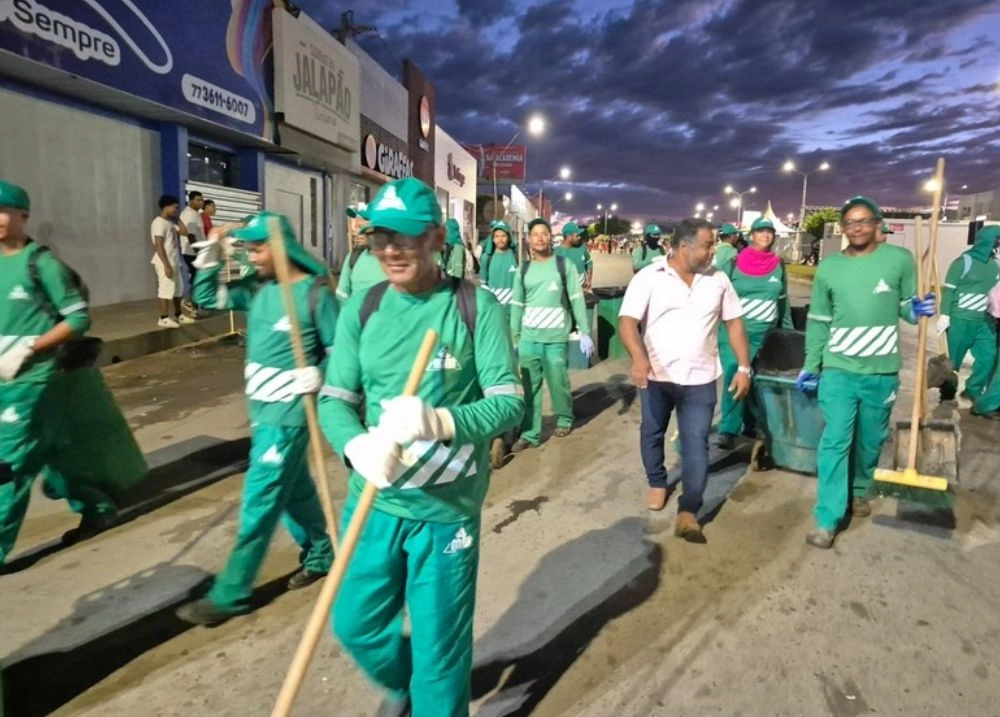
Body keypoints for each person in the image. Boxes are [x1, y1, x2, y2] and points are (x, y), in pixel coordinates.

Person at [318, 177, 523, 717]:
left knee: (440, 657)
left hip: (445, 514)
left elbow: (508, 403)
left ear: (435, 238)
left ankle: (432, 694)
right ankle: (407, 683)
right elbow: (334, 400)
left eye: (404, 237)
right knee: (355, 624)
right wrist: (355, 446)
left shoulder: (475, 306)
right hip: (374, 503)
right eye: (379, 237)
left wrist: (441, 420)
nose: (390, 250)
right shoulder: (363, 308)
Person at [176, 211, 335, 625]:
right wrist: (211, 255)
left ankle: (230, 594)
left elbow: (342, 354)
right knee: (294, 491)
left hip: (289, 417)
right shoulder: (258, 290)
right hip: (262, 414)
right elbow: (207, 299)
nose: (251, 256)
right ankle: (322, 552)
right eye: (248, 249)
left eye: (258, 248)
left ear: (280, 247)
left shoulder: (315, 294)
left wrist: (320, 374)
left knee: (259, 501)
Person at [797, 196, 936, 550]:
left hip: (882, 371)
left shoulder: (899, 260)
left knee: (870, 439)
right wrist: (812, 365)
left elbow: (906, 307)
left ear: (877, 224)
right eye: (849, 222)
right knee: (835, 441)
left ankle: (859, 488)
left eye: (863, 221)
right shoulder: (829, 268)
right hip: (839, 370)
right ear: (842, 228)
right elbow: (819, 321)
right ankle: (827, 518)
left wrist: (918, 309)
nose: (856, 227)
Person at [0, 180, 120, 565]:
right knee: (47, 453)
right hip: (4, 380)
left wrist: (29, 348)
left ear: (23, 215)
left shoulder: (41, 264)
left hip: (33, 379)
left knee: (9, 465)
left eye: (3, 211)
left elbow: (78, 319)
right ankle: (97, 507)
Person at [619, 217, 751, 542]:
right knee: (652, 432)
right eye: (707, 245)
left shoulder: (718, 279)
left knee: (696, 443)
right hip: (657, 376)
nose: (713, 251)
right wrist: (638, 357)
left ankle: (689, 509)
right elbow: (628, 321)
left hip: (700, 378)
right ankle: (656, 480)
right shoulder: (649, 277)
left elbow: (734, 323)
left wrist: (744, 367)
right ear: (683, 247)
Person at [510, 218, 593, 452]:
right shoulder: (523, 269)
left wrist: (584, 331)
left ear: (550, 238)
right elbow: (517, 305)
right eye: (535, 234)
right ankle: (530, 433)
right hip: (529, 340)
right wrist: (515, 338)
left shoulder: (564, 265)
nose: (540, 238)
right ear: (528, 240)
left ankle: (564, 419)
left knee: (559, 383)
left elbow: (576, 299)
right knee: (530, 389)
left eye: (544, 233)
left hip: (556, 338)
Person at [715, 217, 794, 449]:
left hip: (765, 336)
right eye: (761, 231)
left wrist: (788, 333)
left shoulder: (778, 265)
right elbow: (717, 297)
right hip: (734, 334)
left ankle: (750, 425)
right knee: (735, 374)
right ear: (751, 236)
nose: (766, 235)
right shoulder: (734, 263)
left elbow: (783, 301)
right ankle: (728, 429)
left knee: (757, 380)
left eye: (770, 232)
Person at [937, 225, 1000, 414]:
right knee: (953, 361)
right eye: (997, 241)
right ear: (988, 241)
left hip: (985, 321)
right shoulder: (963, 262)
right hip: (960, 319)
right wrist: (945, 315)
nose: (998, 246)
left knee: (988, 357)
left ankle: (973, 390)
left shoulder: (995, 265)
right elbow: (949, 290)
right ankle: (947, 394)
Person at [150, 195, 194, 328]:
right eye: (174, 207)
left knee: (177, 290)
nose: (176, 210)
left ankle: (178, 315)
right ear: (166, 206)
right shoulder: (159, 222)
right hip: (165, 262)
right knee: (165, 289)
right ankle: (163, 318)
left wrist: (177, 218)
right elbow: (158, 245)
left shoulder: (170, 222)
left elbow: (184, 232)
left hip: (174, 261)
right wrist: (166, 265)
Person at [336, 214, 388, 302]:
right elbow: (341, 297)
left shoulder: (394, 259)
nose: (357, 230)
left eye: (364, 219)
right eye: (355, 220)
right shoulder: (354, 257)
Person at [479, 220, 518, 320]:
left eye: (503, 236)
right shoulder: (486, 258)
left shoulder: (517, 256)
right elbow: (484, 287)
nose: (500, 239)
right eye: (497, 236)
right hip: (494, 311)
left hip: (514, 311)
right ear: (492, 239)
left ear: (508, 237)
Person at [180, 191, 207, 316]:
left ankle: (194, 308)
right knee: (198, 279)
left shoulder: (195, 214)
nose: (201, 202)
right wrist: (199, 253)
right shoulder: (189, 215)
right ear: (190, 201)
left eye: (202, 200)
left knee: (197, 278)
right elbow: (191, 236)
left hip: (195, 252)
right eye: (198, 200)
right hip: (192, 253)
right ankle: (188, 301)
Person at [556, 222, 593, 289]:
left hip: (582, 289)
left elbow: (589, 262)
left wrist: (589, 280)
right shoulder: (557, 253)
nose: (579, 237)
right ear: (569, 236)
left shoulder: (582, 247)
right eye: (577, 235)